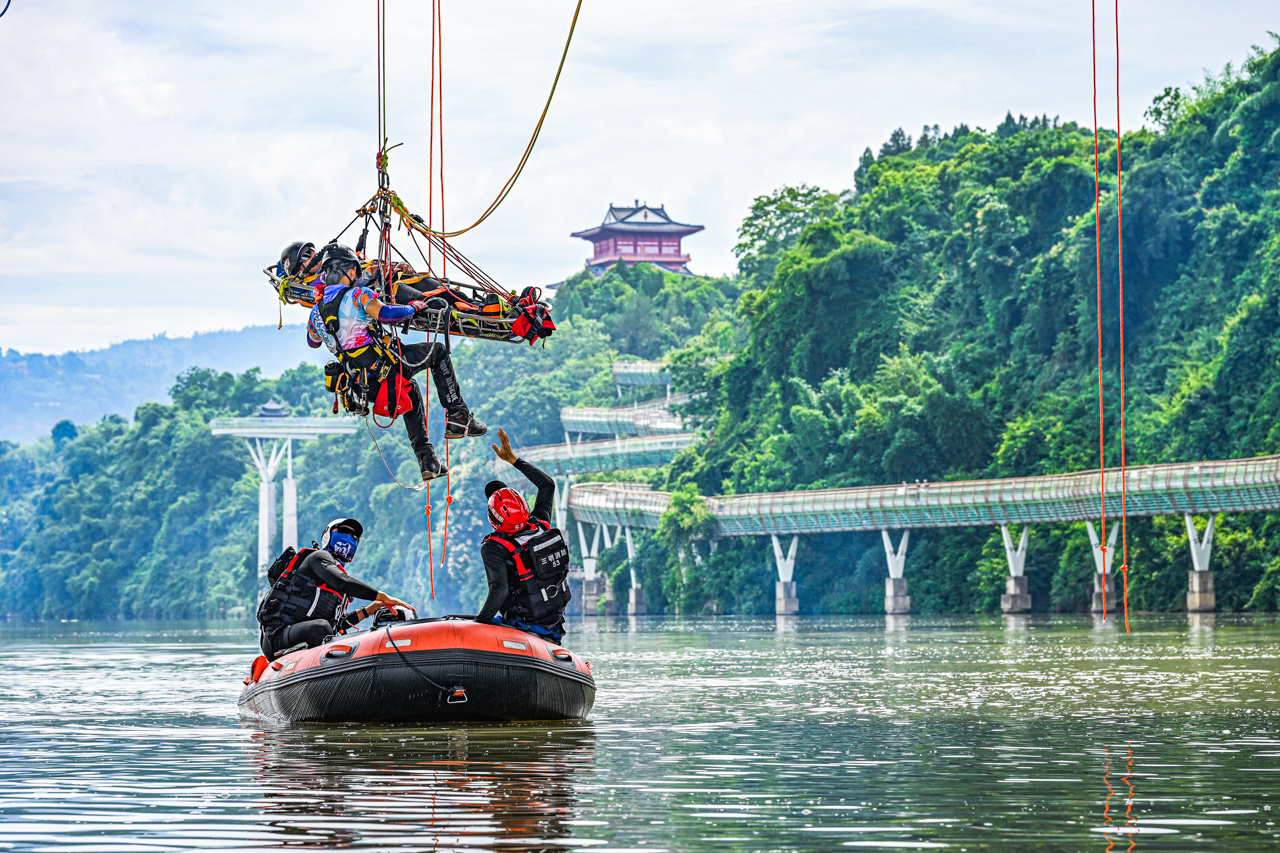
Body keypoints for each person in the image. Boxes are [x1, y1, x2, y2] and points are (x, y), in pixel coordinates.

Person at [307, 244, 486, 482]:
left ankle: (428, 461)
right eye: (355, 272)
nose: (356, 276)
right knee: (438, 352)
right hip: (386, 369)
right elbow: (387, 314)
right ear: (348, 270)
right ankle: (458, 416)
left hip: (364, 386)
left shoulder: (316, 311)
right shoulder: (359, 295)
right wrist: (412, 308)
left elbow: (313, 341)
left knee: (411, 392)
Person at [257, 518, 411, 660]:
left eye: (354, 536)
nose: (348, 537)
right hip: (278, 636)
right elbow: (342, 582)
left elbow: (338, 625)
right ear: (328, 536)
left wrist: (370, 610)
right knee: (321, 628)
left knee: (326, 628)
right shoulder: (317, 558)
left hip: (309, 635)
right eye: (343, 531)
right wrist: (381, 596)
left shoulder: (337, 588)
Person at [476, 428, 572, 643]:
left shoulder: (493, 548)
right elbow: (547, 485)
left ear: (493, 517)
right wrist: (513, 459)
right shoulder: (541, 525)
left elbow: (499, 589)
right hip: (553, 622)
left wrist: (478, 626)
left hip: (521, 624)